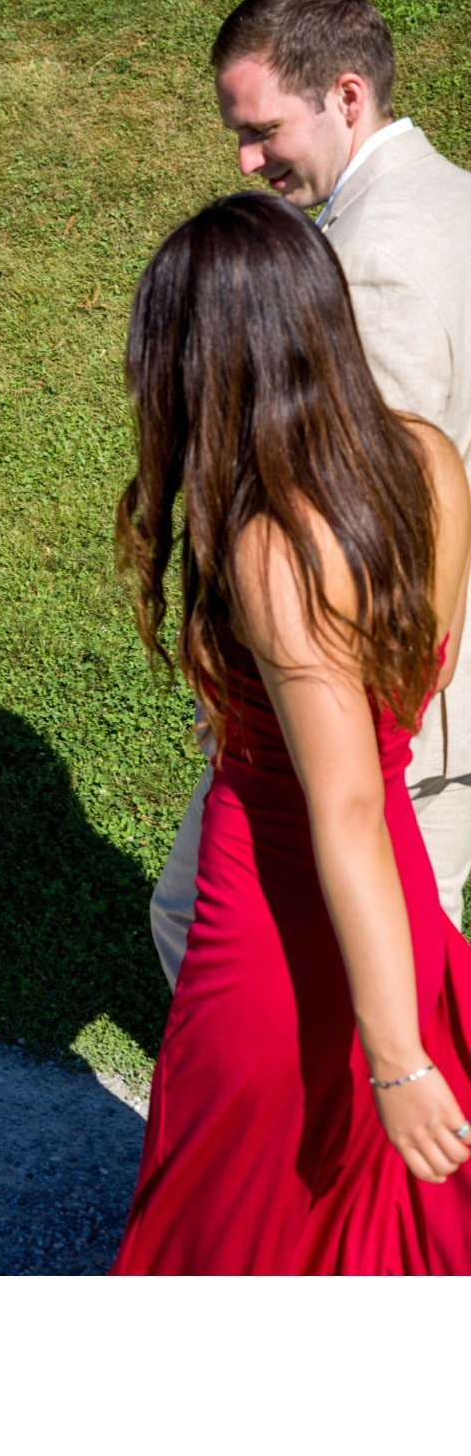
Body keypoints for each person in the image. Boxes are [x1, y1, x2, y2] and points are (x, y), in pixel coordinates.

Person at [112, 188, 471, 1275]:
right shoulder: (427, 459)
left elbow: (345, 802)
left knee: (242, 1190)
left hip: (271, 902)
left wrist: (398, 1057)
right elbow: (410, 698)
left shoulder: (276, 547)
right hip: (393, 886)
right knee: (357, 1198)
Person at [151, 0, 471, 977]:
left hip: (384, 699)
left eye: (262, 130)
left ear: (343, 95)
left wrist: (261, 669)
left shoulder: (368, 257)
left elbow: (367, 499)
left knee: (216, 937)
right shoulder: (455, 197)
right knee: (419, 946)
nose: (247, 161)